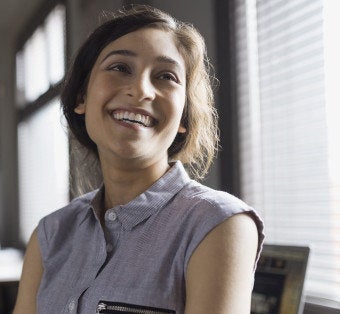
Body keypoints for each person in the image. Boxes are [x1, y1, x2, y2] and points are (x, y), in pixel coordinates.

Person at [14, 5, 264, 314]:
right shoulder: (50, 235)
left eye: (166, 76)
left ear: (184, 116)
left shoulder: (218, 225)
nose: (141, 90)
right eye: (120, 67)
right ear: (81, 97)